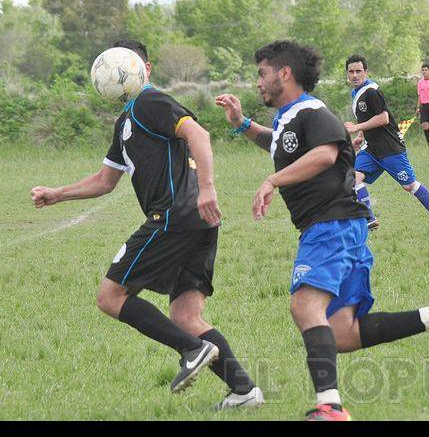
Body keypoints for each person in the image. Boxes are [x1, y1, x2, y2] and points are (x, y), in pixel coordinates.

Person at [215, 41, 429, 421]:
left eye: (262, 73)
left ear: (284, 73)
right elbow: (281, 145)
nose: (258, 83)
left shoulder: (312, 111)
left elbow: (326, 154)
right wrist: (242, 125)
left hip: (331, 225)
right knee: (341, 334)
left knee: (305, 306)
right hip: (341, 226)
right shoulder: (291, 117)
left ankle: (330, 407)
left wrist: (272, 181)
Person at [31, 40, 263, 410]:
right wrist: (59, 194)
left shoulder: (151, 102)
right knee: (186, 316)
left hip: (174, 215)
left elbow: (199, 135)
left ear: (144, 69)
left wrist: (207, 188)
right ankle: (243, 390)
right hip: (196, 220)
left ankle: (192, 349)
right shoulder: (127, 119)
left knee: (110, 297)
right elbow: (105, 180)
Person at [344, 55, 429, 236]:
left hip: (390, 148)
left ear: (366, 72)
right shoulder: (356, 93)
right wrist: (361, 136)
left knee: (409, 186)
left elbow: (383, 118)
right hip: (372, 149)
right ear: (347, 74)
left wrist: (356, 128)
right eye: (351, 71)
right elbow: (367, 117)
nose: (355, 75)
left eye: (358, 71)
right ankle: (370, 219)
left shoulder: (372, 91)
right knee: (352, 178)